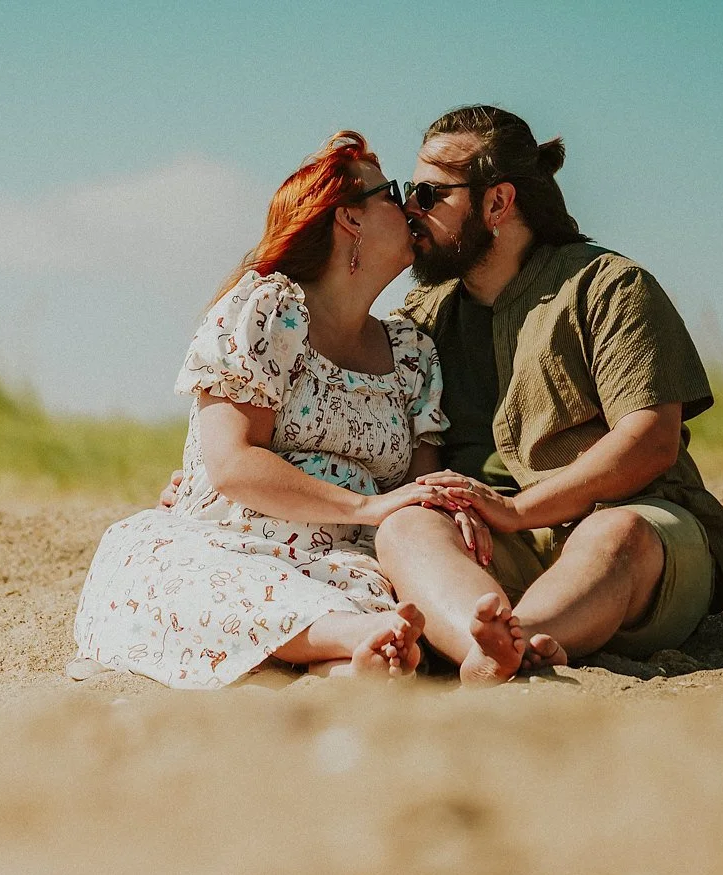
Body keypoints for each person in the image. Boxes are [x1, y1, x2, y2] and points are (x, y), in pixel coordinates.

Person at [73, 132, 509, 688]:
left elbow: (413, 492)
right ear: (349, 218)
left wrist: (442, 505)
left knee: (378, 602)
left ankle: (353, 659)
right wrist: (365, 506)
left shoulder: (412, 352)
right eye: (391, 193)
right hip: (233, 541)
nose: (407, 209)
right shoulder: (266, 310)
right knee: (158, 566)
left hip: (349, 558)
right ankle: (351, 638)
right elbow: (233, 465)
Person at [373, 104, 723, 682]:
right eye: (407, 193)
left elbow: (651, 441)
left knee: (614, 536)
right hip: (490, 548)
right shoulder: (422, 316)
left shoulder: (609, 285)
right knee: (406, 527)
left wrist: (518, 511)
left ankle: (512, 639)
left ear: (498, 202)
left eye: (428, 194)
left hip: (631, 532)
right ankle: (488, 647)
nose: (410, 211)